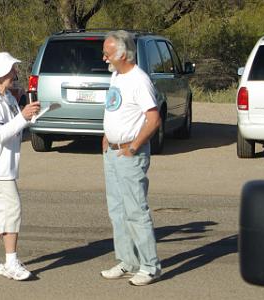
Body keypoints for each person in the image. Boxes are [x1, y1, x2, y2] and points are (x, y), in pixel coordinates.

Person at [100, 30, 162, 286]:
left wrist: (134, 146)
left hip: (129, 153)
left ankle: (150, 266)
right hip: (112, 152)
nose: (104, 58)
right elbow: (116, 109)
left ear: (123, 54)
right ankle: (128, 260)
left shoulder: (139, 80)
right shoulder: (116, 76)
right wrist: (107, 136)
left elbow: (153, 118)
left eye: (107, 53)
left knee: (135, 210)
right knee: (117, 210)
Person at [0, 52, 40, 281]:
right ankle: (11, 262)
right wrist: (23, 117)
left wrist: (30, 116)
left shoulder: (8, 97)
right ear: (2, 73)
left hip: (0, 166)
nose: (15, 74)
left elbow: (15, 124)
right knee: (11, 211)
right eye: (12, 70)